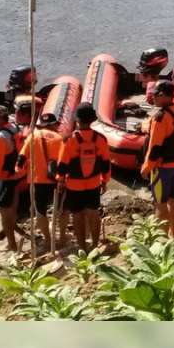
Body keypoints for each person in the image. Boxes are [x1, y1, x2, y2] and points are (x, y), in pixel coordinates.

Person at [56, 103, 110, 251]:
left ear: (77, 120)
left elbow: (62, 164)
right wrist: (105, 181)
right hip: (94, 183)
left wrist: (60, 180)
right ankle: (95, 245)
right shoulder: (100, 139)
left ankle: (82, 247)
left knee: (77, 215)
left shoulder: (69, 139)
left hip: (74, 185)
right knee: (93, 213)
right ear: (92, 120)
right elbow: (106, 163)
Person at [141, 80, 174, 239]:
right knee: (173, 199)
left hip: (162, 168)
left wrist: (146, 167)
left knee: (160, 203)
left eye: (155, 95)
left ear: (162, 95)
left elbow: (154, 147)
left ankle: (161, 239)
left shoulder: (161, 117)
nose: (153, 98)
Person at [17, 112, 68, 247]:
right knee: (62, 210)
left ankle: (48, 239)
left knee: (40, 212)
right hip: (56, 179)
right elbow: (65, 161)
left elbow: (21, 158)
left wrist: (19, 171)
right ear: (53, 125)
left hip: (37, 180)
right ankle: (62, 237)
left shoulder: (32, 136)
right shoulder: (59, 138)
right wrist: (63, 179)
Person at [0, 104, 24, 252]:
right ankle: (15, 232)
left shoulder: (0, 138)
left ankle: (11, 244)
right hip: (16, 174)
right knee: (13, 203)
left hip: (5, 177)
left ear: (0, 119)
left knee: (4, 212)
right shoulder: (14, 127)